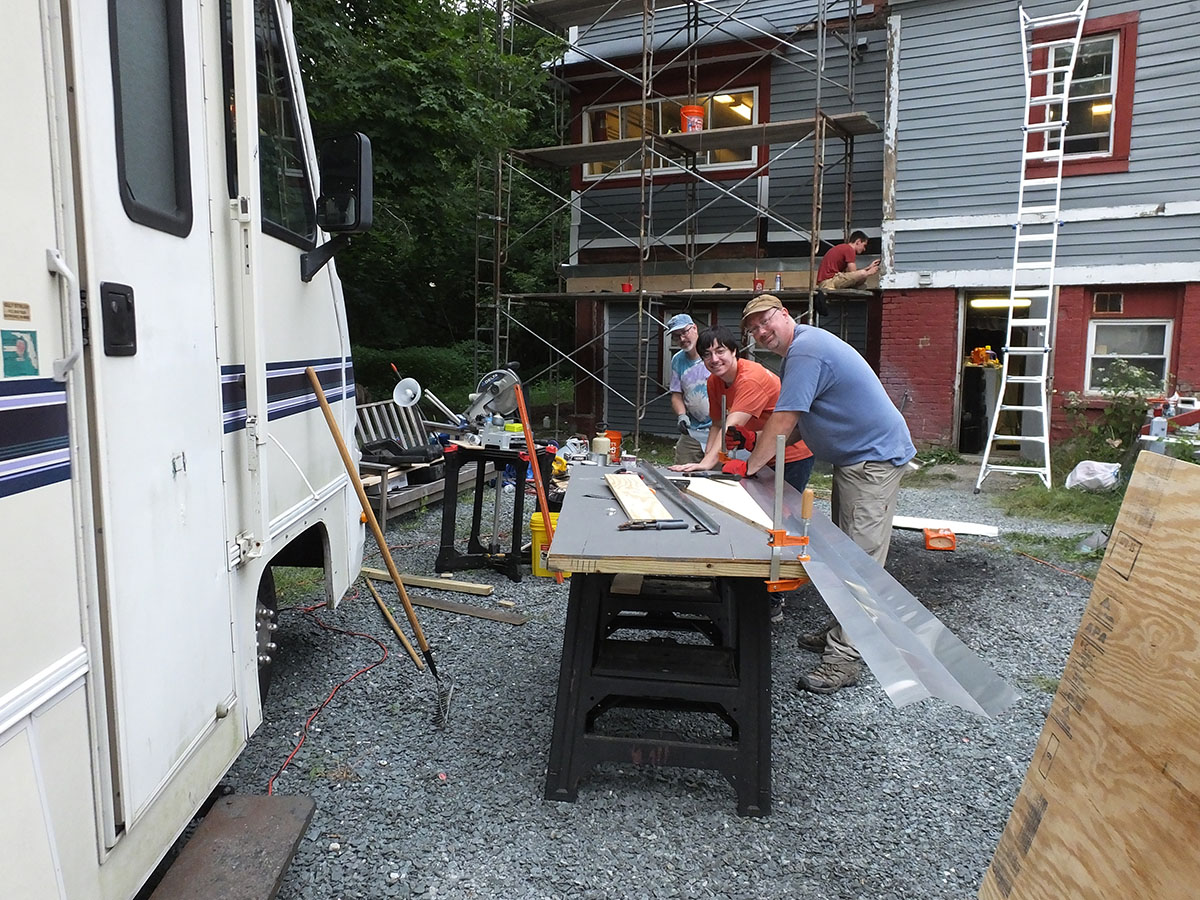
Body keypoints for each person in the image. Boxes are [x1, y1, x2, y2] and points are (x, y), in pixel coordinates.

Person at [738, 294, 916, 694]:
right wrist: (759, 455)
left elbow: (784, 419)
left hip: (873, 461)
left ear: (785, 315)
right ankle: (845, 628)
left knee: (861, 563)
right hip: (854, 460)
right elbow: (799, 422)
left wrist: (749, 468)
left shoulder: (807, 351)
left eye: (766, 321)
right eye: (753, 330)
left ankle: (846, 657)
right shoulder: (802, 351)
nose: (761, 332)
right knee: (844, 551)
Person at [670, 325, 815, 622]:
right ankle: (747, 583)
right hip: (761, 450)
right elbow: (716, 425)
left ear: (735, 351)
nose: (714, 359)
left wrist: (710, 462)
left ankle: (775, 597)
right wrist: (705, 463)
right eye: (707, 354)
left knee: (781, 522)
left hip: (791, 454)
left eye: (721, 351)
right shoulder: (714, 382)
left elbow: (731, 424)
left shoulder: (752, 378)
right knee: (754, 517)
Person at [665, 313, 712, 465]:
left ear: (695, 328)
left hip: (718, 429)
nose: (682, 339)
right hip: (693, 430)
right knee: (682, 472)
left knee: (718, 475)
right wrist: (681, 415)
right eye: (676, 336)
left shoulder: (713, 354)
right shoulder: (677, 360)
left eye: (685, 332)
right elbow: (677, 394)